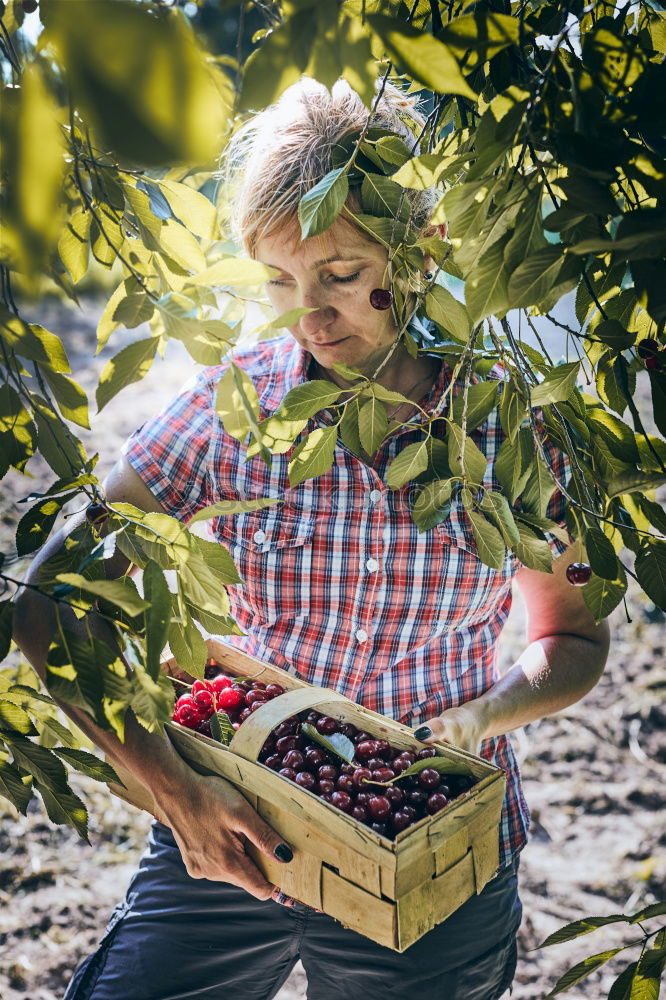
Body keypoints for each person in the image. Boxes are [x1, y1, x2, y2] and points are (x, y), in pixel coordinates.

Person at [14, 79, 610, 1000]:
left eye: (337, 276)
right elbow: (50, 603)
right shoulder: (233, 410)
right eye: (279, 282)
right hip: (239, 814)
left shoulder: (506, 428)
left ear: (419, 255)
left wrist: (485, 715)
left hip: (430, 843)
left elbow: (571, 640)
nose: (309, 317)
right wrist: (179, 797)